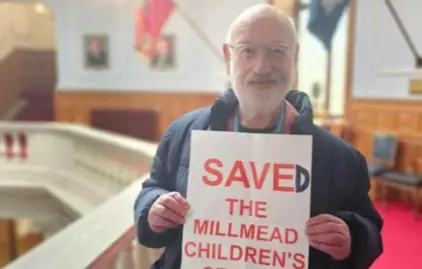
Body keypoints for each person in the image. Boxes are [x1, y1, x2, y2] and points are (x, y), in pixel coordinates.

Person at [134, 4, 383, 269]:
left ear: (294, 56)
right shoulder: (182, 133)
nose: (262, 67)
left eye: (277, 51)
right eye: (247, 51)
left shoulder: (341, 157)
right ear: (228, 57)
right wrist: (152, 209)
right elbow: (153, 188)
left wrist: (352, 239)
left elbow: (370, 232)